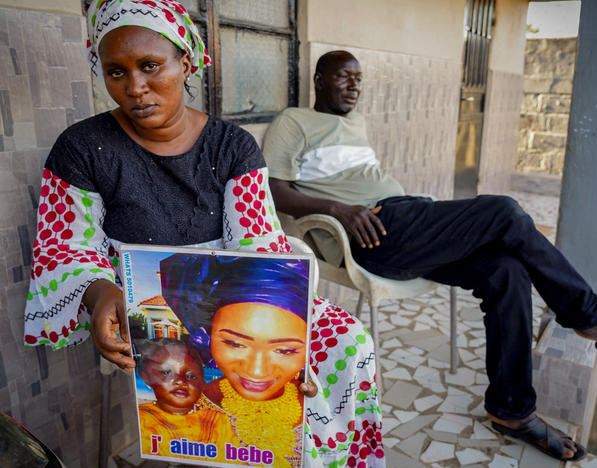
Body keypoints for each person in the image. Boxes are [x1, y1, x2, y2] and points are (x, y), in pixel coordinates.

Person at [262, 49, 597, 462]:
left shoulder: (355, 121)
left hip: (408, 217)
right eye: (343, 77)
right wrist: (340, 210)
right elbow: (276, 189)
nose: (354, 86)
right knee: (505, 212)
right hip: (373, 233)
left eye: (359, 79)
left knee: (505, 271)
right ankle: (593, 319)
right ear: (319, 80)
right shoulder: (293, 122)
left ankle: (512, 410)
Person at [22, 2, 383, 466]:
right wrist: (99, 291)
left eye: (151, 66)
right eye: (115, 72)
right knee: (196, 403)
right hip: (142, 306)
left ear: (186, 63)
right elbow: (65, 245)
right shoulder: (82, 147)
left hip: (240, 300)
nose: (134, 88)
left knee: (347, 344)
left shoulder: (232, 146)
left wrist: (283, 344)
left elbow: (256, 244)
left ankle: (315, 455)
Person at [160, 254, 310, 467]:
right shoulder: (192, 404)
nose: (256, 371)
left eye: (284, 350)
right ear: (207, 335)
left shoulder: (316, 397)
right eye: (235, 344)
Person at [137, 338, 235, 463]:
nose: (181, 381)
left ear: (202, 382)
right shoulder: (141, 417)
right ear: (146, 378)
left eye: (190, 376)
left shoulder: (220, 421)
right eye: (167, 372)